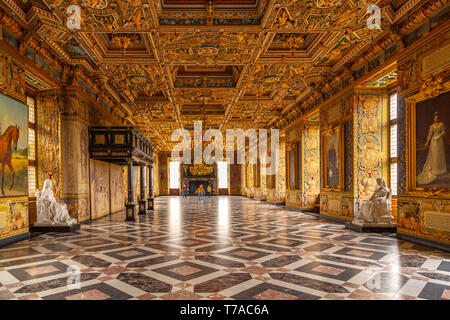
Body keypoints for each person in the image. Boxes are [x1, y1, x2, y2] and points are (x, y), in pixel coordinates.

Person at [417, 112, 447, 185]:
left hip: (440, 142)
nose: (436, 119)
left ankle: (440, 169)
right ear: (433, 118)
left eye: (437, 117)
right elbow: (429, 135)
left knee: (440, 156)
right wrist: (427, 143)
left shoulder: (441, 124)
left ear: (438, 118)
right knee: (434, 156)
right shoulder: (432, 126)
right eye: (435, 118)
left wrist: (439, 135)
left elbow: (444, 132)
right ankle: (435, 170)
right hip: (433, 142)